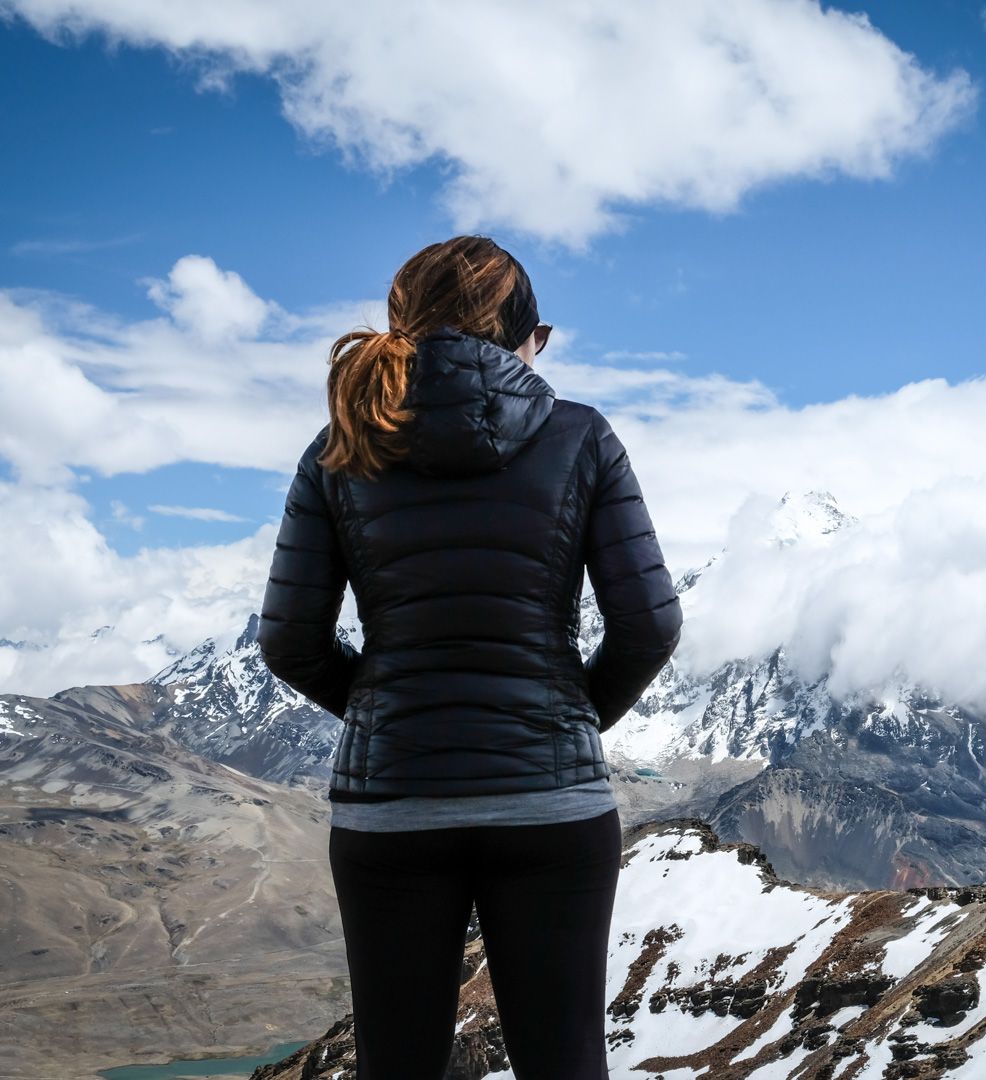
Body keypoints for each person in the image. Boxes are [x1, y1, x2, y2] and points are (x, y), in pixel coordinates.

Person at [255, 234, 684, 1079]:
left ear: (399, 331)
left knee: (397, 1064)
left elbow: (288, 640)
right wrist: (558, 719)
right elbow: (651, 625)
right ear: (535, 338)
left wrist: (390, 713)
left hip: (391, 810)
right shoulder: (582, 436)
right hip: (551, 807)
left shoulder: (341, 444)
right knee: (564, 1063)